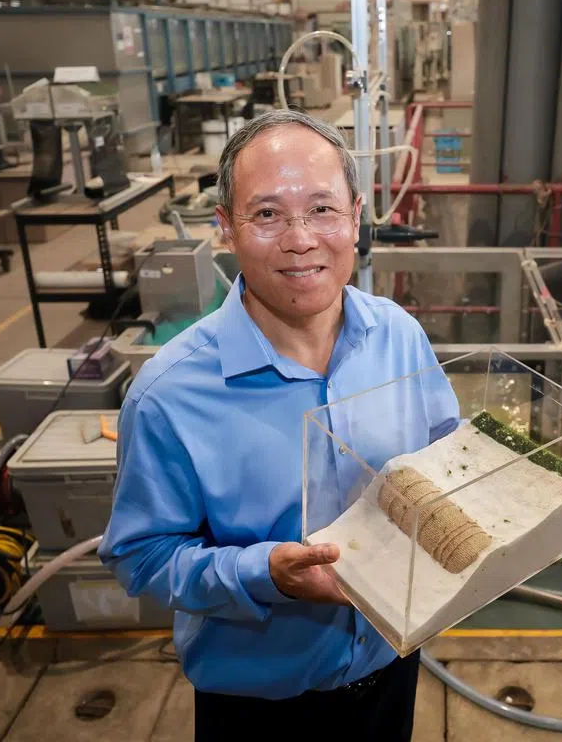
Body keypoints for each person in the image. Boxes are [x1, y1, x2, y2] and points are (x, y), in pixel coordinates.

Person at [98, 109, 459, 741]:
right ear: (226, 228)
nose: (300, 239)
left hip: (391, 671)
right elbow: (140, 556)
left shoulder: (400, 336)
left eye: (322, 209)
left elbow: (445, 458)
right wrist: (264, 575)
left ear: (356, 214)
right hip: (258, 710)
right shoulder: (168, 395)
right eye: (267, 214)